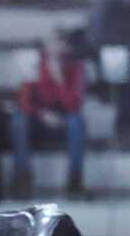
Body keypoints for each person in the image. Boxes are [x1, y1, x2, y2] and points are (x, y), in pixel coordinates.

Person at [10, 29, 86, 196]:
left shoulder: (75, 68)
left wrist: (59, 78)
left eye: (60, 44)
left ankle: (75, 177)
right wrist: (42, 114)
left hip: (63, 120)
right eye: (52, 43)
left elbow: (75, 104)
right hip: (39, 119)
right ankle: (22, 174)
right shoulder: (34, 65)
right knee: (19, 121)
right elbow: (24, 100)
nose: (56, 49)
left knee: (76, 122)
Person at [88, 0, 130, 144]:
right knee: (124, 72)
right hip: (115, 55)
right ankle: (124, 124)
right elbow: (101, 36)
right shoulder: (107, 8)